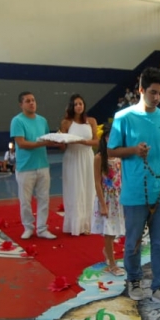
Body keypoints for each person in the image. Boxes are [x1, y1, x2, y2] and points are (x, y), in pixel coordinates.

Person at [109, 67, 160, 306]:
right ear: (141, 90)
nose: (157, 97)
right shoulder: (124, 117)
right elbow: (110, 150)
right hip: (135, 191)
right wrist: (133, 150)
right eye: (153, 92)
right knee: (133, 242)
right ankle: (134, 280)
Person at [10, 91, 62, 240]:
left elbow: (46, 139)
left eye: (33, 100)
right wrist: (44, 143)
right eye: (28, 101)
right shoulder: (17, 121)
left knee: (44, 199)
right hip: (25, 167)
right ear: (21, 104)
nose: (32, 103)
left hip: (43, 165)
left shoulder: (42, 120)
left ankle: (42, 228)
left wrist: (60, 139)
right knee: (25, 201)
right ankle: (28, 227)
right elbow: (21, 143)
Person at [60, 94, 98, 236]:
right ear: (72, 106)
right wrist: (60, 140)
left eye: (80, 103)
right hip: (72, 158)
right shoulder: (66, 123)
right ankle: (75, 225)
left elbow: (96, 141)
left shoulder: (91, 121)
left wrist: (83, 142)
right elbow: (62, 146)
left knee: (89, 188)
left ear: (84, 105)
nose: (78, 106)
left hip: (87, 157)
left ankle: (89, 223)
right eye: (75, 104)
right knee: (75, 189)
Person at [92, 122, 126, 276]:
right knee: (109, 231)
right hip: (107, 198)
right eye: (108, 137)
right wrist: (103, 205)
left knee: (116, 229)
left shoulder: (119, 156)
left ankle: (107, 251)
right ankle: (112, 264)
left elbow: (123, 177)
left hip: (119, 197)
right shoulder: (99, 158)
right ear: (104, 138)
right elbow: (97, 182)